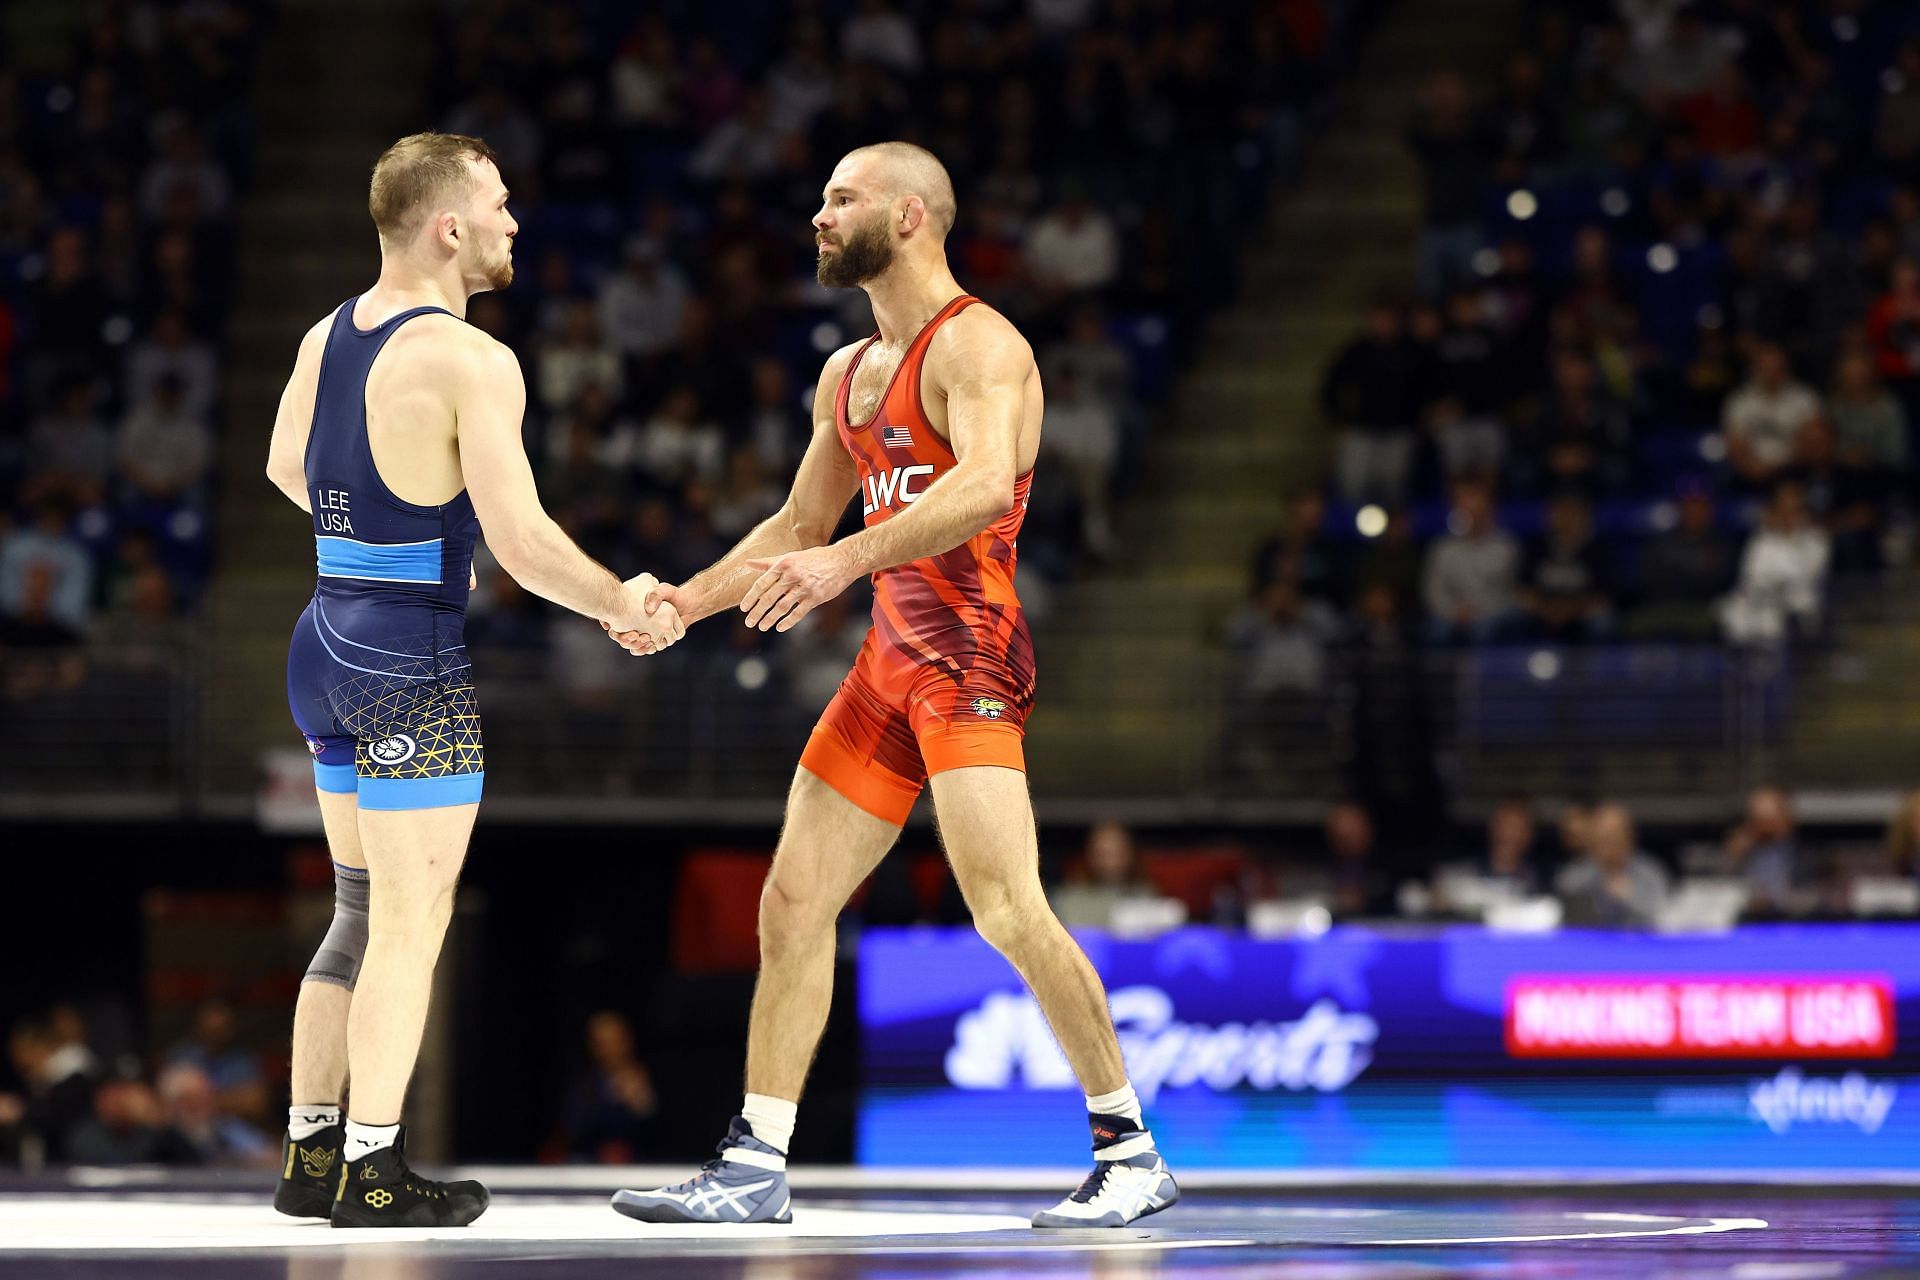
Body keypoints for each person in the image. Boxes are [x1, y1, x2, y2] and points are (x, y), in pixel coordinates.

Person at [608, 142, 1176, 1228]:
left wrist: (844, 562)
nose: (818, 216)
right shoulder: (848, 372)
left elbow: (978, 488)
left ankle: (1130, 1146)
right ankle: (754, 1163)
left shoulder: (984, 346)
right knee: (790, 900)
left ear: (911, 216)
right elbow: (796, 526)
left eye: (841, 198)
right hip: (888, 667)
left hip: (968, 657)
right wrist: (686, 601)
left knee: (1007, 909)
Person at [263, 132, 683, 1229]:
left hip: (324, 634)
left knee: (356, 911)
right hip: (406, 656)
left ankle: (310, 1157)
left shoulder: (327, 332)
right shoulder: (470, 357)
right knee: (411, 922)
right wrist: (618, 602)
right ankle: (375, 1169)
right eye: (497, 204)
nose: (511, 222)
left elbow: (281, 464)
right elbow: (523, 539)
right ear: (448, 226)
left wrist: (374, 535)